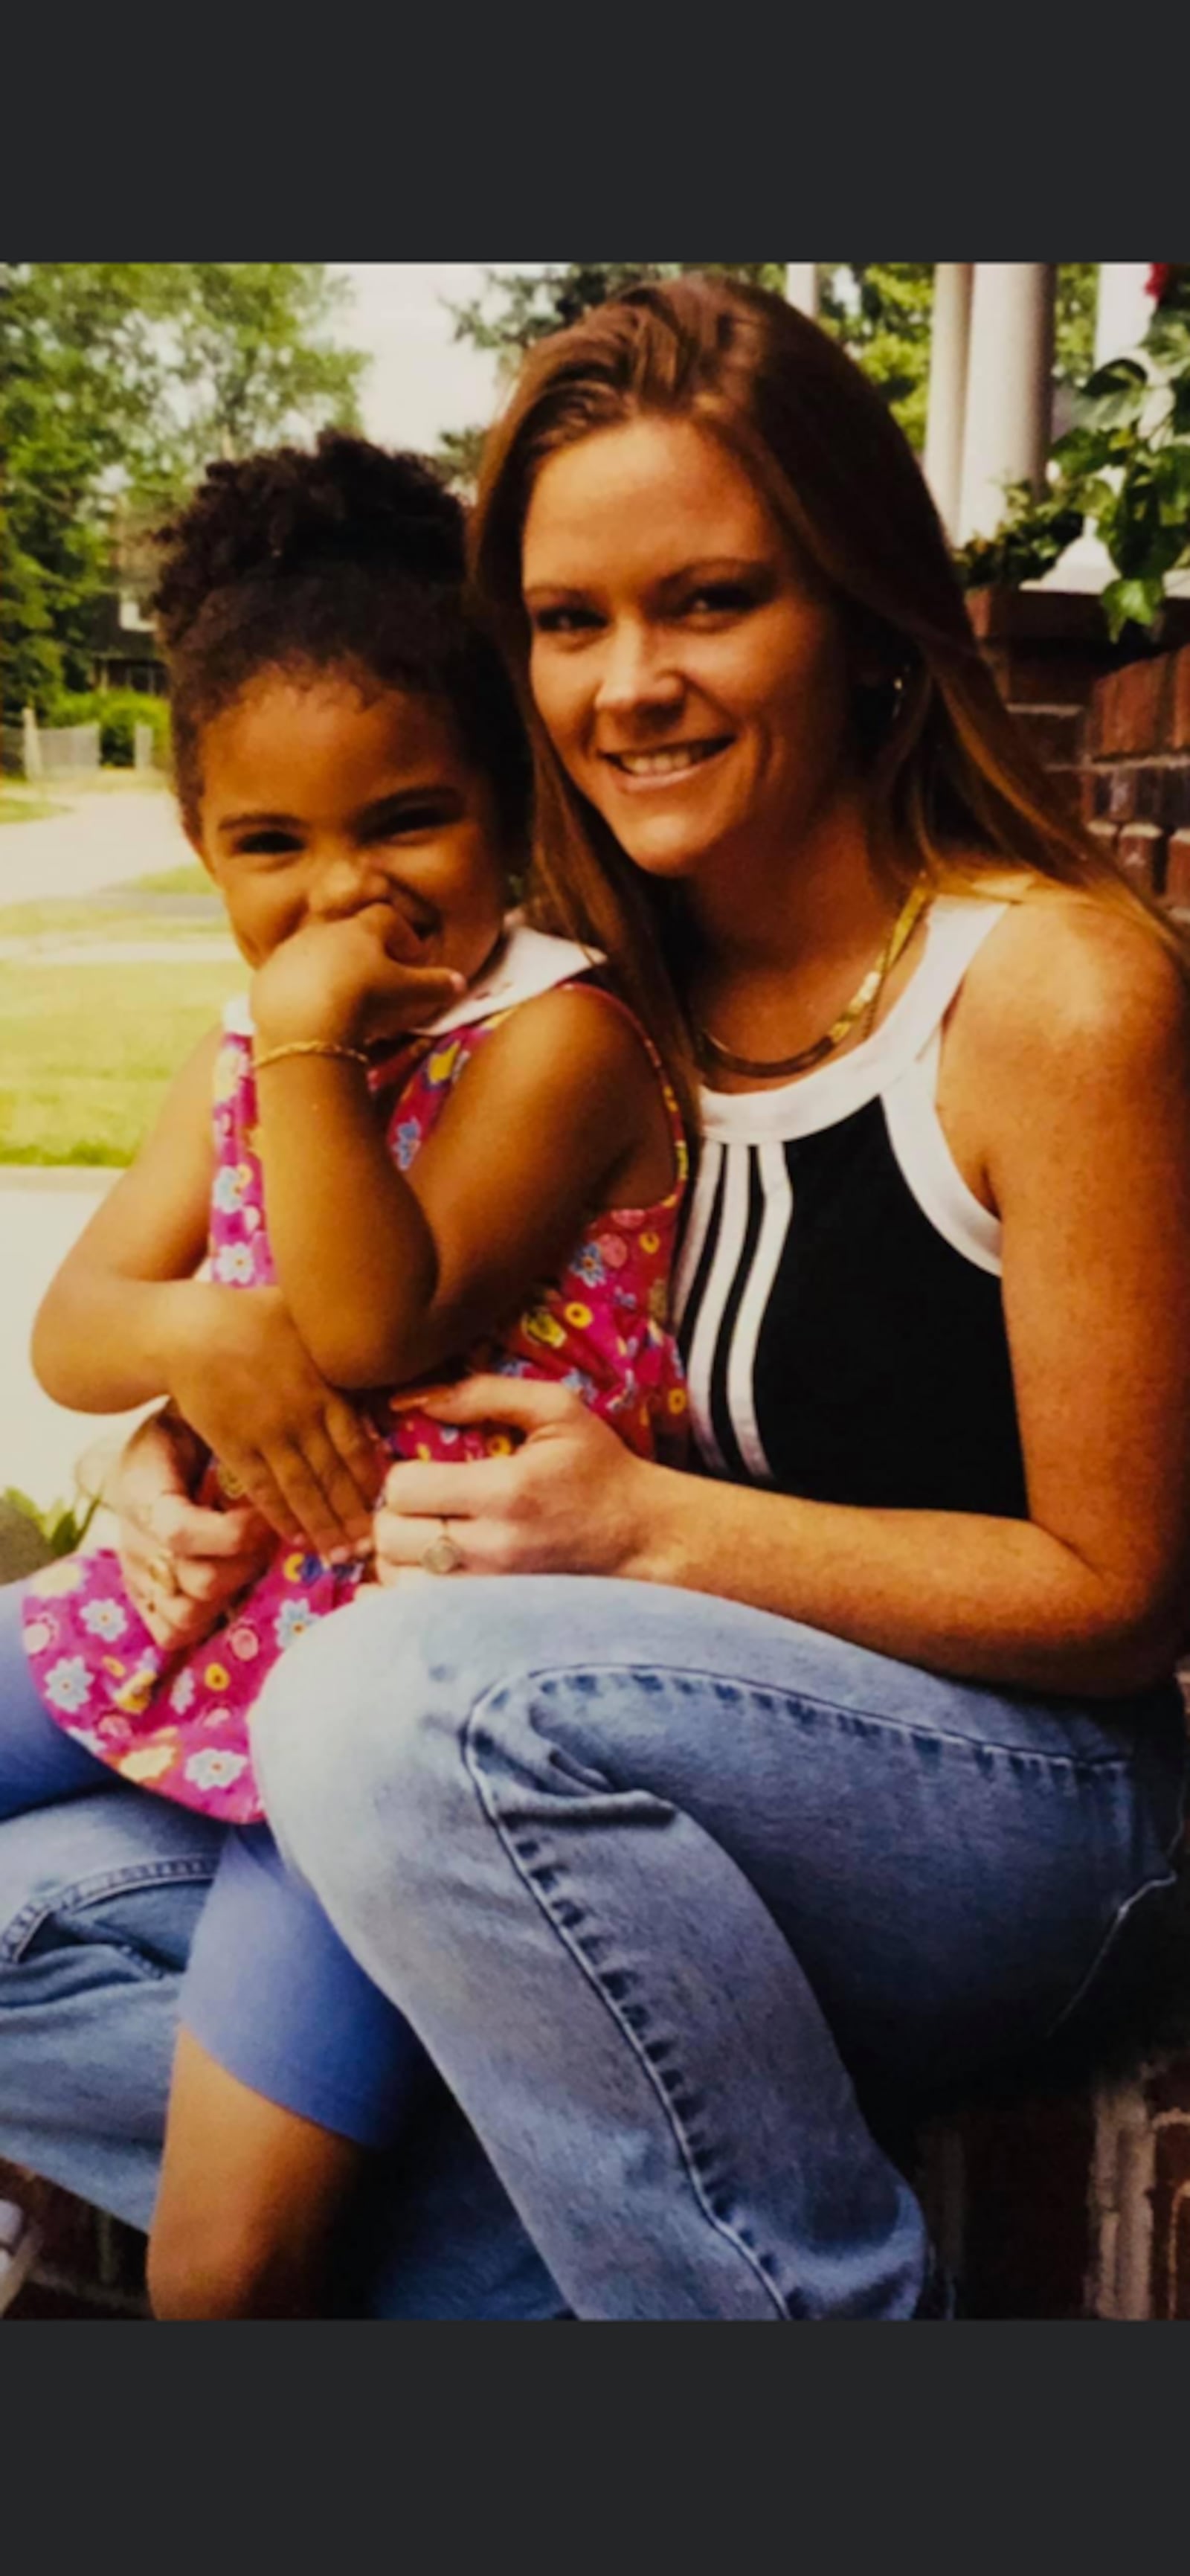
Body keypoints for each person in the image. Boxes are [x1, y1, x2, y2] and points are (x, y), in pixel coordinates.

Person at [222, 274, 1190, 2322]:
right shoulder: (583, 994)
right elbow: (325, 1284)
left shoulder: (1050, 999)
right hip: (628, 1796)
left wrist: (649, 1531)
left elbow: (1128, 1593)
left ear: (863, 617)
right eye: (569, 624)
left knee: (393, 1704)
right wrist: (179, 1423)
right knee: (50, 1898)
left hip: (1036, 1824)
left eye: (711, 601)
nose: (627, 684)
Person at [0, 430, 686, 2317]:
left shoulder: (558, 1047)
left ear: (509, 811)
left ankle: (471, 2209)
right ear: (199, 842)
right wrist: (196, 1336)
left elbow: (380, 1324)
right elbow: (74, 1323)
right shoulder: (242, 1033)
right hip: (195, 1613)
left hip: (386, 1706)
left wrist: (304, 1047)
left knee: (220, 2274)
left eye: (406, 820)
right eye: (270, 847)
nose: (341, 898)